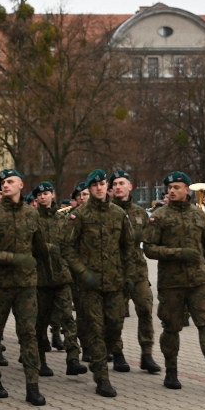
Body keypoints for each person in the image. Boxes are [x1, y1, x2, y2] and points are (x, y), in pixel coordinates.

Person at [142, 171, 205, 391]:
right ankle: (171, 372)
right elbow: (149, 249)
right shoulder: (159, 216)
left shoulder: (199, 215)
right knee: (172, 328)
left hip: (199, 280)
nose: (172, 191)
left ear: (187, 190)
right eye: (170, 188)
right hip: (171, 283)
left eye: (176, 187)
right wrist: (178, 253)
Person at [64, 169, 142, 397]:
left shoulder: (118, 214)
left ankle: (103, 358)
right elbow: (68, 248)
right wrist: (82, 273)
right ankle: (102, 377)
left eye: (102, 184)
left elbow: (129, 247)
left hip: (115, 282)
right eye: (94, 184)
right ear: (89, 188)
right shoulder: (79, 216)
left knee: (114, 326)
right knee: (95, 330)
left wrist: (129, 276)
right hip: (90, 285)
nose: (99, 188)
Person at [0, 168, 51, 406]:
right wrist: (11, 258)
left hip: (26, 285)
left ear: (21, 184)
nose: (5, 185)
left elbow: (40, 249)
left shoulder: (32, 215)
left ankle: (32, 385)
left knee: (28, 334)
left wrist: (47, 275)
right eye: (2, 183)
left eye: (10, 181)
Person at [32, 181, 87, 377]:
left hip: (62, 277)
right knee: (40, 321)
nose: (44, 197)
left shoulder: (62, 219)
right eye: (40, 195)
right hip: (40, 279)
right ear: (36, 199)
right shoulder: (32, 219)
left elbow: (69, 244)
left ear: (53, 195)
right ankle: (40, 360)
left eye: (47, 193)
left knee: (68, 319)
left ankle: (73, 358)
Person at [109, 169, 161, 373]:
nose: (119, 187)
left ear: (130, 186)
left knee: (145, 310)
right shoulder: (108, 212)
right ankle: (118, 353)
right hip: (115, 271)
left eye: (122, 183)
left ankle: (147, 354)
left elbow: (148, 240)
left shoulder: (140, 213)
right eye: (115, 184)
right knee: (115, 316)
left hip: (138, 270)